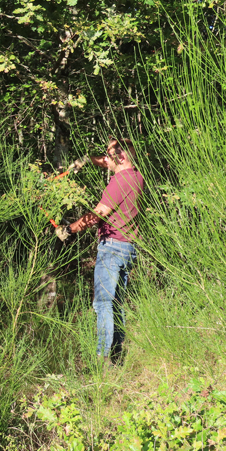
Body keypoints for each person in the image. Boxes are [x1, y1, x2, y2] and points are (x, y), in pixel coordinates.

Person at [55, 137, 144, 364]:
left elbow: (98, 214)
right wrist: (86, 160)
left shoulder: (119, 182)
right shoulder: (136, 176)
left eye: (110, 155)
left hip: (112, 248)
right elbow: (106, 162)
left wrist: (70, 230)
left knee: (103, 302)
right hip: (128, 248)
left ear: (121, 157)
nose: (107, 159)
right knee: (115, 302)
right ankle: (116, 355)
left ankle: (103, 358)